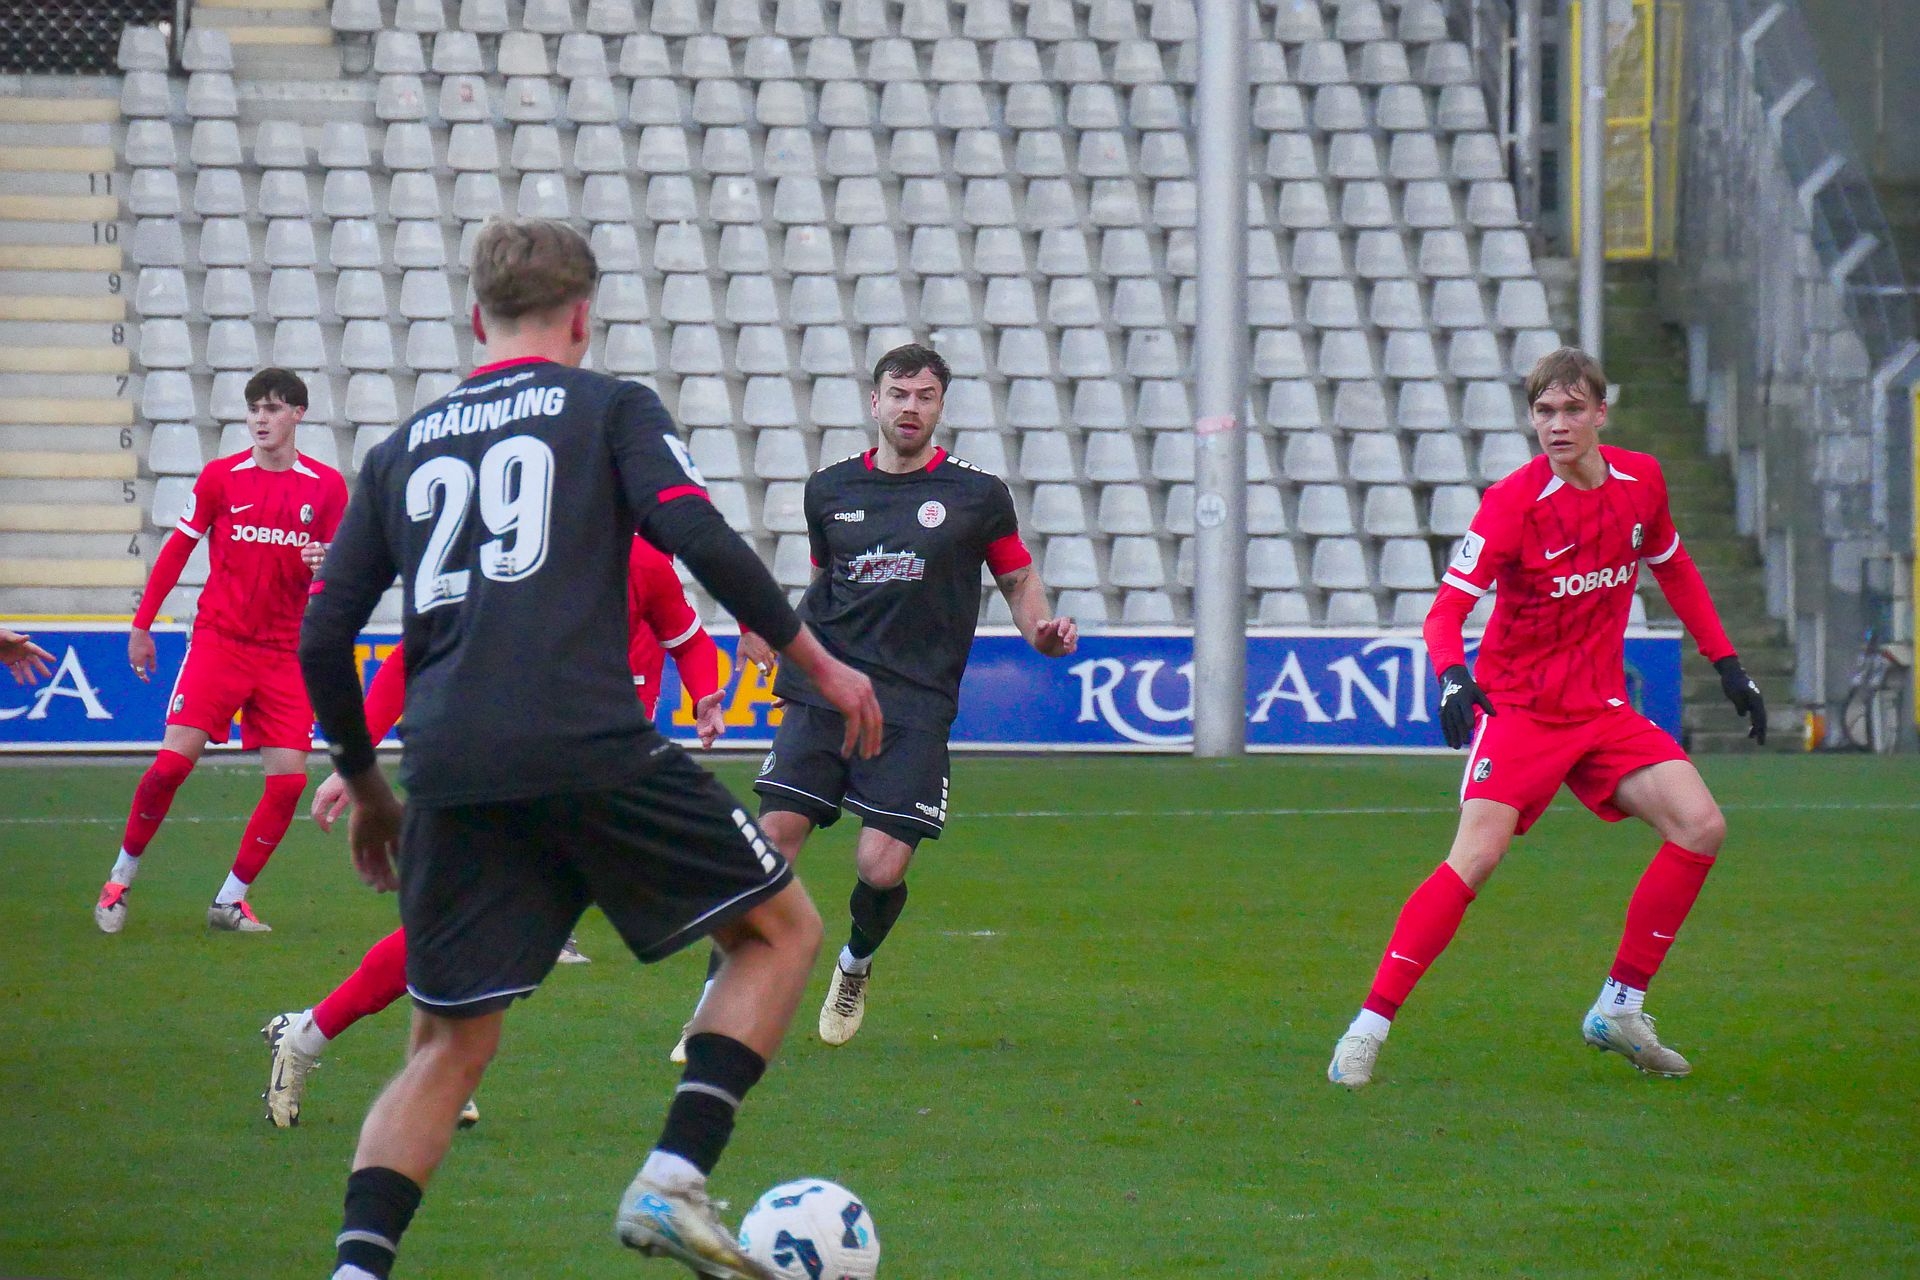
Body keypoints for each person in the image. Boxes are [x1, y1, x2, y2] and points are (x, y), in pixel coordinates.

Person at [298, 217, 881, 1280]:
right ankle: (674, 1176)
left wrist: (364, 779)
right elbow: (694, 532)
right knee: (782, 930)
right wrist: (820, 662)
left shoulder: (400, 449)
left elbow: (323, 632)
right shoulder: (609, 405)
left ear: (476, 317)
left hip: (449, 765)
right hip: (584, 739)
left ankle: (355, 1269)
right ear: (581, 317)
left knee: (447, 1045)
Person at [1326, 347, 1768, 1089]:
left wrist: (1725, 661)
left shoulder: (1642, 482)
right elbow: (1446, 612)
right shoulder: (1513, 503)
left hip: (1600, 707)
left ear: (1601, 413)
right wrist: (1453, 676)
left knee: (1701, 825)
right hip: (1522, 710)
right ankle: (1367, 1028)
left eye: (1571, 409)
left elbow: (1673, 566)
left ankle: (1619, 1007)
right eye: (1543, 411)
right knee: (1475, 858)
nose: (1556, 424)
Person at [676, 343, 1077, 1058]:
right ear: (876, 401)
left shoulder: (978, 495)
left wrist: (1040, 631)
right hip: (826, 688)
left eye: (925, 396)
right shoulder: (828, 489)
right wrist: (769, 629)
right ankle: (712, 1007)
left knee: (880, 866)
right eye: (899, 394)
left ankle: (855, 964)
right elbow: (824, 584)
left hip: (914, 702)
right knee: (773, 841)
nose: (910, 408)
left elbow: (1018, 580)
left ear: (940, 405)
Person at [261, 534, 729, 1129]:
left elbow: (689, 641)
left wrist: (705, 695)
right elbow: (414, 653)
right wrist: (354, 758)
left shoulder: (643, 562)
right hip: (500, 765)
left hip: (596, 779)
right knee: (468, 932)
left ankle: (351, 1044)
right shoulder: (508, 554)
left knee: (469, 935)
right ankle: (334, 1042)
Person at [94, 369, 348, 935]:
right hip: (220, 643)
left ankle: (230, 900)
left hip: (285, 654)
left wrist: (325, 566)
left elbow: (334, 571)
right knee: (170, 766)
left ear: (298, 414)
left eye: (272, 408)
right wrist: (142, 625)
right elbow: (177, 550)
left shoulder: (327, 487)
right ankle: (120, 878)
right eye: (254, 409)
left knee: (288, 782)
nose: (260, 419)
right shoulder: (221, 477)